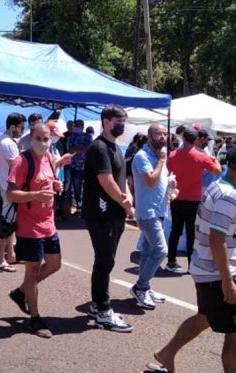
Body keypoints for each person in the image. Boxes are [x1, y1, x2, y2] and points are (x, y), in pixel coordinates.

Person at [150, 144, 236, 373]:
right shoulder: (228, 197)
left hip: (204, 268)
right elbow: (216, 239)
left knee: (205, 317)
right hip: (215, 274)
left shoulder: (217, 186)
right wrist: (227, 280)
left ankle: (166, 353)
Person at [5, 123, 63, 338]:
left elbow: (48, 182)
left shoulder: (48, 157)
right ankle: (35, 319)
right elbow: (11, 194)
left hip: (48, 223)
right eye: (38, 138)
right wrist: (35, 195)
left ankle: (21, 292)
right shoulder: (22, 161)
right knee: (32, 271)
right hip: (29, 226)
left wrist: (56, 186)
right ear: (31, 138)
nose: (42, 142)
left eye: (46, 139)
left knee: (55, 264)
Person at [83, 105, 134, 333]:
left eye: (123, 121)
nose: (122, 125)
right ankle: (103, 311)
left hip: (115, 213)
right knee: (104, 260)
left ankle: (97, 305)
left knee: (106, 260)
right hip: (101, 214)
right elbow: (106, 181)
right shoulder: (99, 147)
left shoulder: (115, 147)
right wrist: (125, 203)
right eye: (118, 121)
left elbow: (120, 179)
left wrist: (128, 197)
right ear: (106, 122)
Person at [165, 129, 222, 272]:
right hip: (193, 200)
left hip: (177, 197)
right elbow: (218, 171)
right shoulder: (201, 156)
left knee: (175, 231)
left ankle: (171, 261)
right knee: (192, 233)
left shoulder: (172, 155)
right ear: (196, 140)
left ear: (183, 138)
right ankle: (191, 264)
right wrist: (215, 160)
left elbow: (169, 170)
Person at [131, 124, 174, 310]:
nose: (163, 137)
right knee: (161, 250)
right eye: (158, 134)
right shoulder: (143, 156)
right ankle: (140, 287)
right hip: (148, 212)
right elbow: (150, 180)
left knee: (148, 252)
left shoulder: (158, 156)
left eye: (165, 134)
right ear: (149, 137)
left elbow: (159, 181)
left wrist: (170, 185)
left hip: (160, 210)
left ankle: (145, 287)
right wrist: (162, 161)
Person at [0, 113, 26, 272]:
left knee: (9, 222)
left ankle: (10, 255)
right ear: (13, 127)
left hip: (6, 185)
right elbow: (16, 167)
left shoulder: (3, 140)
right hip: (11, 188)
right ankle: (0, 260)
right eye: (21, 127)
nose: (22, 131)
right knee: (6, 225)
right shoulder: (7, 143)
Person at [67, 119, 93, 212]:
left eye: (79, 125)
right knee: (76, 188)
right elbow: (70, 150)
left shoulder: (88, 137)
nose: (77, 127)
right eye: (76, 125)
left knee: (87, 188)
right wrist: (83, 148)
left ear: (82, 126)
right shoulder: (71, 137)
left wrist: (76, 149)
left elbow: (90, 149)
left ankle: (87, 207)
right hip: (75, 167)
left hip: (87, 167)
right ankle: (79, 207)